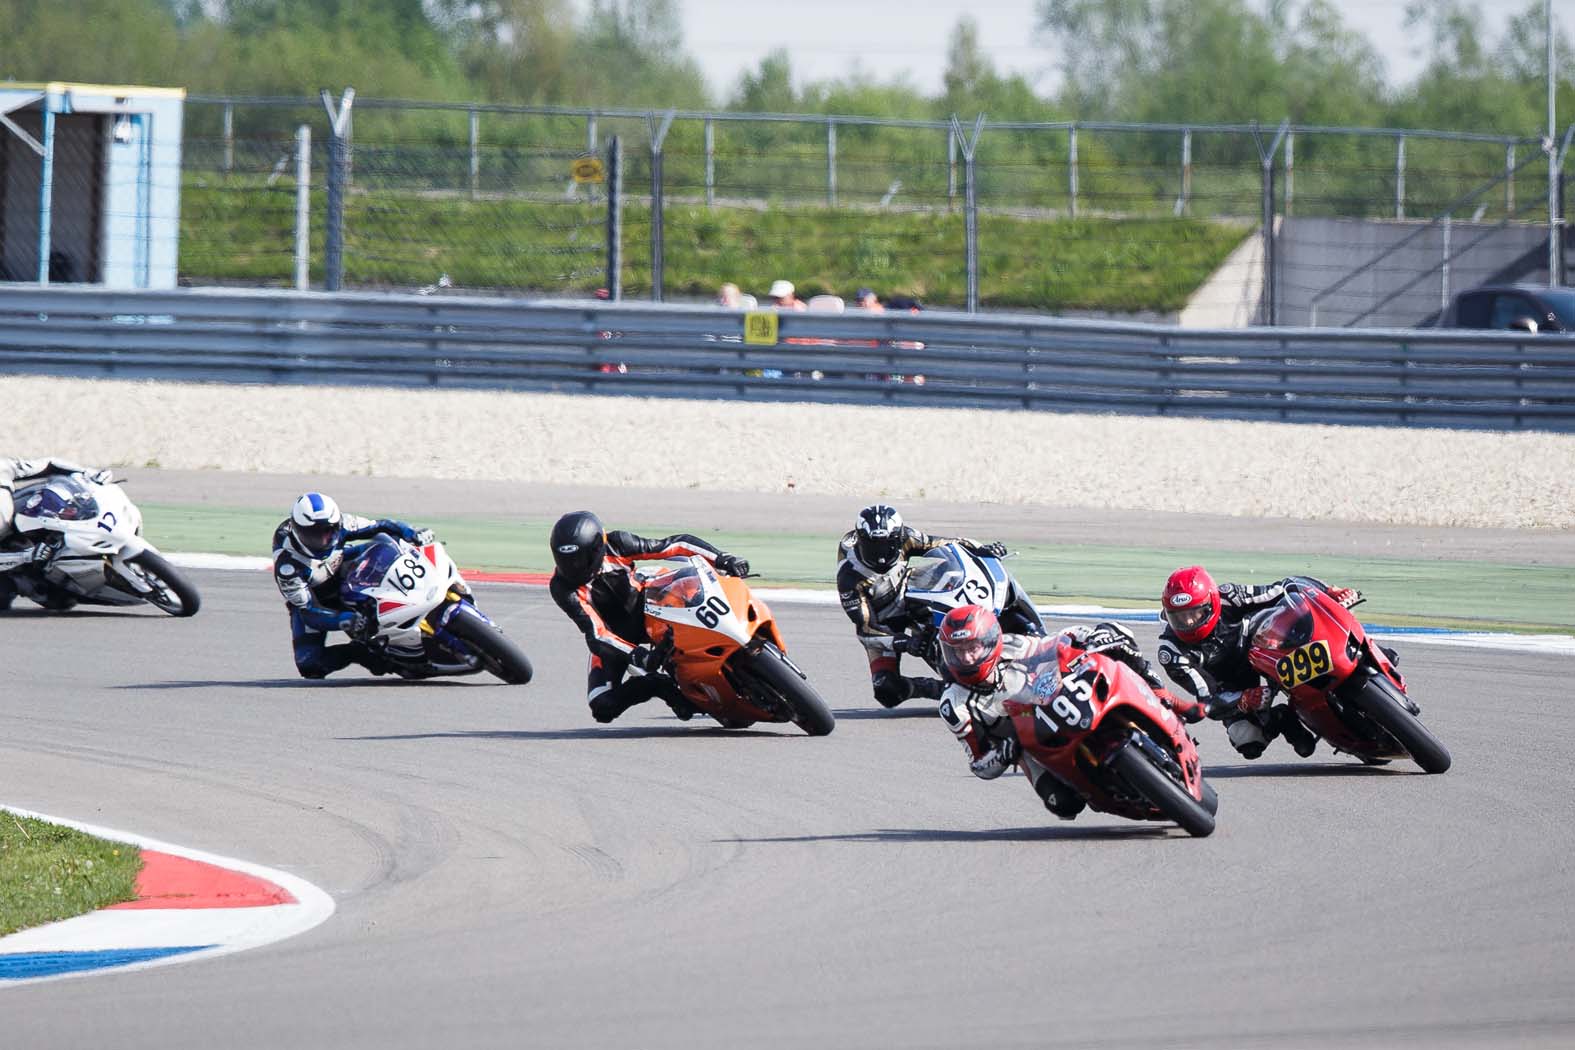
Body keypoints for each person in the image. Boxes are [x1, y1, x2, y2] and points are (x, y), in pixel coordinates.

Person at [936, 604, 1204, 819]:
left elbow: (1053, 644)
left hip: (1056, 700)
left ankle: (1161, 702)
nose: (968, 658)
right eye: (958, 652)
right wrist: (1003, 753)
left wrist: (1088, 637)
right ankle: (1107, 792)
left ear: (990, 642)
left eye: (972, 649)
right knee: (1063, 804)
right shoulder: (954, 704)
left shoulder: (1012, 646)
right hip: (1030, 746)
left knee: (1116, 653)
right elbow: (979, 765)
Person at [549, 510, 751, 724]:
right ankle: (659, 686)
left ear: (598, 546)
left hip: (650, 605)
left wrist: (721, 558)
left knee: (693, 593)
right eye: (566, 560)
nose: (573, 567)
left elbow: (674, 545)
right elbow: (597, 634)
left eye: (580, 559)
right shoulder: (562, 587)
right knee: (602, 705)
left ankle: (733, 638)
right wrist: (636, 655)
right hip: (616, 637)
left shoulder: (618, 544)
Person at [1156, 565, 1365, 760]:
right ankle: (1283, 718)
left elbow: (1286, 586)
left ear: (1212, 603)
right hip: (1231, 684)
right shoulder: (1172, 652)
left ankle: (1368, 658)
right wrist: (1242, 700)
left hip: (1266, 644)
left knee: (1311, 620)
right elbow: (1206, 701)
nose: (1189, 622)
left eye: (1194, 613)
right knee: (1247, 741)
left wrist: (1329, 591)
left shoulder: (1230, 596)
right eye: (1179, 617)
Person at [836, 504, 1011, 708]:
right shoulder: (849, 577)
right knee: (887, 690)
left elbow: (946, 544)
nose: (881, 555)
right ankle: (943, 691)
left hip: (909, 591)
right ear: (860, 542)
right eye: (874, 547)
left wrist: (981, 549)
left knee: (946, 578)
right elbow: (866, 630)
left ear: (897, 537)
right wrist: (903, 642)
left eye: (887, 545)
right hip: (883, 623)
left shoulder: (906, 537)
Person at [273, 492, 433, 679]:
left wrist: (411, 532)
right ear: (297, 530)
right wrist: (345, 619)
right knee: (309, 663)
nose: (324, 540)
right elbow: (308, 612)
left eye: (329, 531)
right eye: (314, 534)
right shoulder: (288, 566)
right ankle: (363, 652)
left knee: (389, 547)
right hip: (317, 598)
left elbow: (378, 525)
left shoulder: (342, 523)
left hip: (343, 564)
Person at [0, 457, 113, 607]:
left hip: (23, 517)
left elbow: (49, 464)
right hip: (8, 557)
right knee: (58, 600)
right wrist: (26, 556)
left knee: (54, 499)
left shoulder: (2, 467)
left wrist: (88, 472)